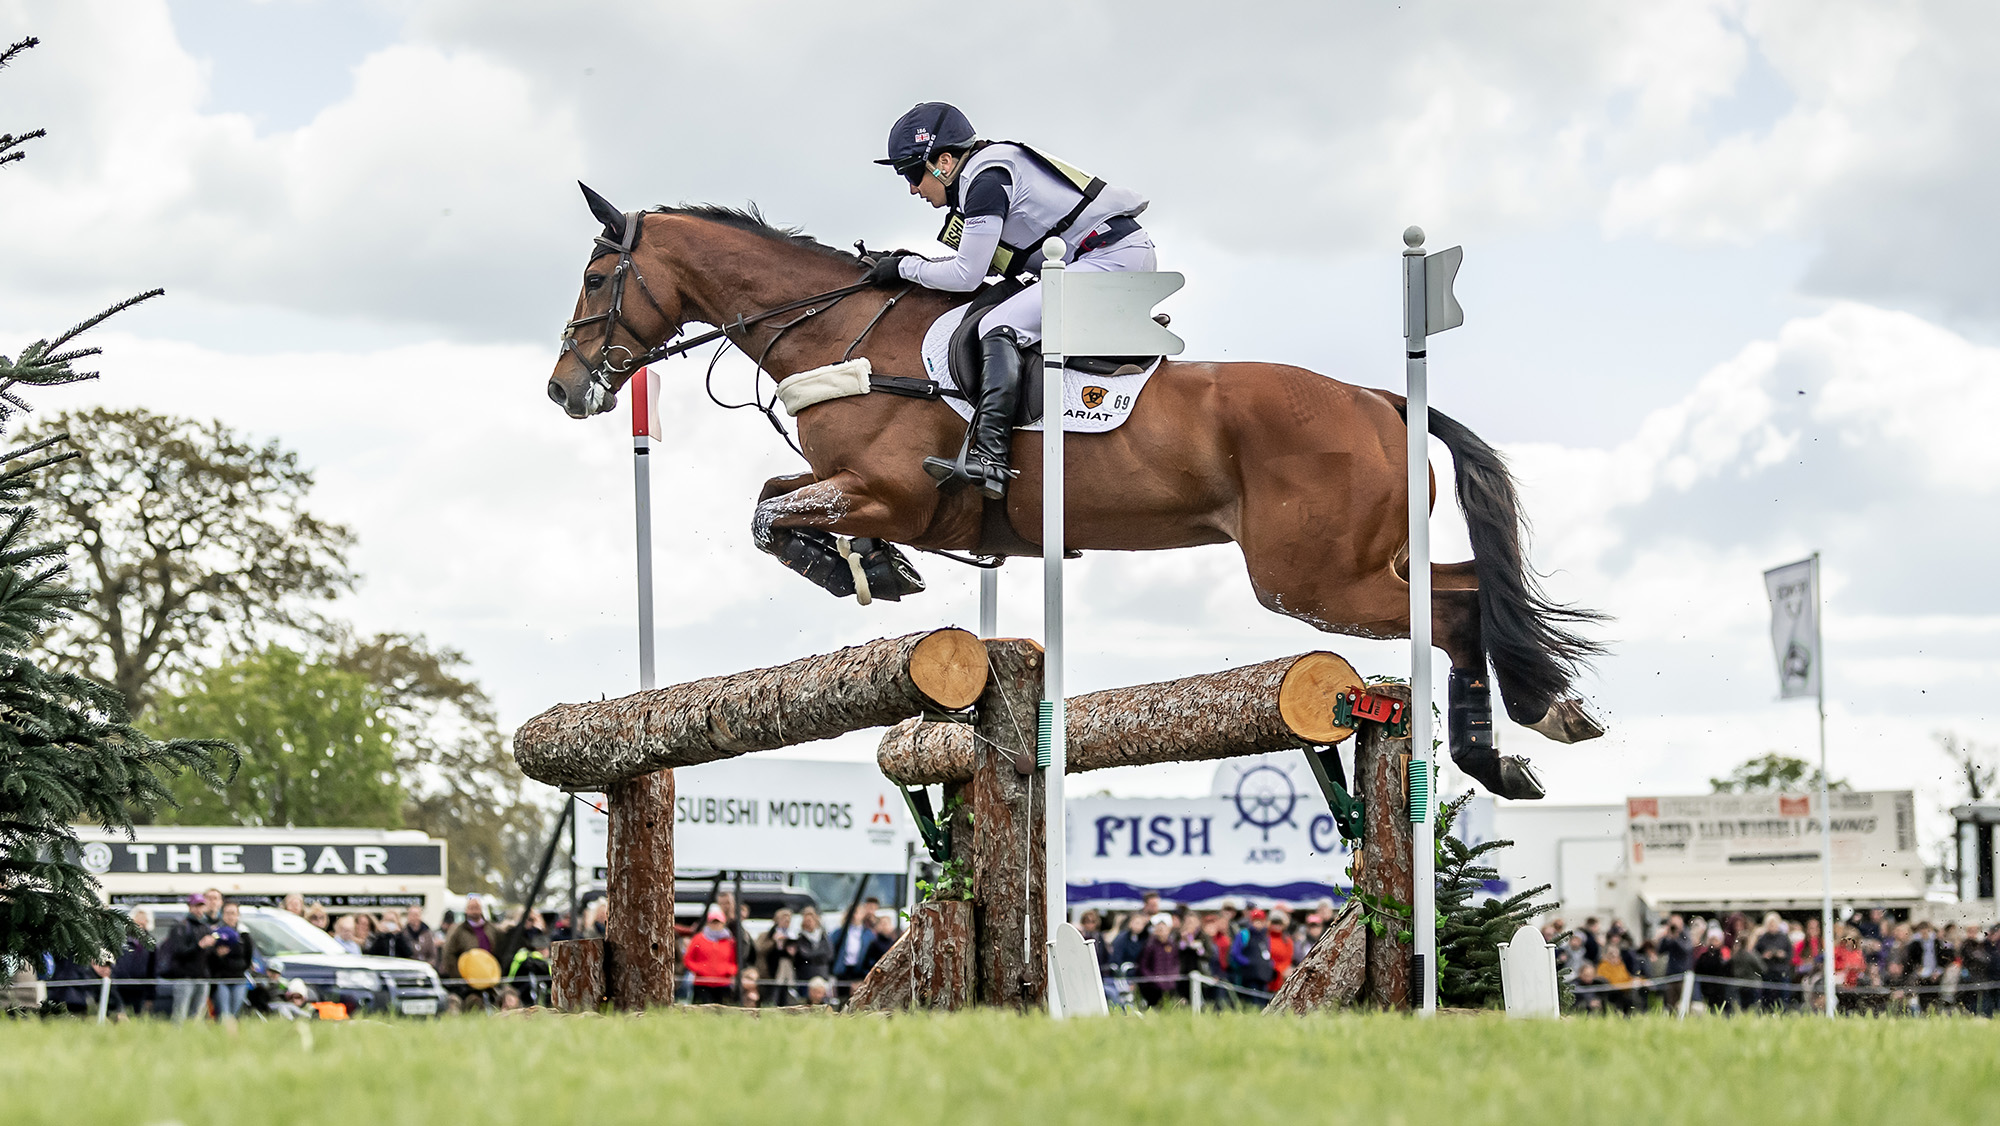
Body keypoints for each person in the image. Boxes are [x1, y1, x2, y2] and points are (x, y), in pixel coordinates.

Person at [865, 102, 1153, 500]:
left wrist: (904, 269)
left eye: (913, 173)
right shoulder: (984, 173)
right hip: (1101, 257)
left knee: (996, 326)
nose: (913, 188)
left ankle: (991, 457)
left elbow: (966, 275)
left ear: (944, 162)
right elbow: (974, 268)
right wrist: (908, 264)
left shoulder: (986, 180)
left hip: (1111, 259)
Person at [163, 894, 218, 1022]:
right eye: (196, 906)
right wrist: (199, 945)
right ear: (190, 907)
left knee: (197, 1016)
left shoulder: (206, 927)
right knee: (180, 1015)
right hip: (184, 978)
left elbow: (209, 955)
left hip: (202, 978)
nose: (199, 910)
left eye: (201, 906)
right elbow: (178, 951)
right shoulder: (181, 926)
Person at [208, 901, 255, 1020]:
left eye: (233, 913)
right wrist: (218, 955)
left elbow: (248, 957)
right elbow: (209, 958)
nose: (230, 916)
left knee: (235, 1013)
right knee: (224, 1013)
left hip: (238, 979)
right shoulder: (216, 933)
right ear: (222, 915)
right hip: (221, 979)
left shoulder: (244, 935)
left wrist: (241, 967)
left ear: (238, 915)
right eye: (228, 913)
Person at [686, 906, 739, 1004]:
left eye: (718, 922)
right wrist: (699, 969)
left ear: (723, 923)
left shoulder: (730, 941)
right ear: (708, 923)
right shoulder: (698, 939)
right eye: (713, 922)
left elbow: (735, 960)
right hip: (702, 983)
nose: (715, 925)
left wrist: (729, 970)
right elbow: (688, 959)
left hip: (723, 984)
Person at [1231, 908, 1276, 1005]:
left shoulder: (1265, 937)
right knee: (1252, 1002)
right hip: (1249, 976)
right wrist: (1248, 963)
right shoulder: (1243, 934)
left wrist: (1269, 965)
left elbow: (1267, 954)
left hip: (1263, 976)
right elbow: (1235, 953)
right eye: (1255, 920)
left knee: (1263, 1002)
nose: (1258, 923)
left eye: (1260, 920)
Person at [756, 906, 800, 1004]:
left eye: (788, 919)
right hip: (769, 972)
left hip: (785, 971)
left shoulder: (792, 934)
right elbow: (760, 949)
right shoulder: (766, 935)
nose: (786, 921)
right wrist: (774, 941)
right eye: (783, 919)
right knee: (770, 998)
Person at [1134, 913, 1178, 1008]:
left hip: (1169, 985)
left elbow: (1176, 963)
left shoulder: (1172, 945)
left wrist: (1172, 978)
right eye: (1158, 928)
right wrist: (1154, 979)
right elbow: (1143, 966)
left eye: (1163, 928)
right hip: (1152, 986)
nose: (1161, 930)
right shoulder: (1149, 945)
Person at [791, 905, 833, 987]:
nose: (809, 923)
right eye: (807, 920)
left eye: (811, 920)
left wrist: (813, 955)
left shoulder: (824, 937)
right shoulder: (800, 938)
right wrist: (819, 955)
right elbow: (804, 955)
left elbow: (829, 955)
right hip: (806, 977)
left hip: (822, 975)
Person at [1692, 926, 1731, 1013]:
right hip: (1706, 988)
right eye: (1712, 940)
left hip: (1720, 989)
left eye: (1715, 940)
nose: (1713, 943)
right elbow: (1698, 969)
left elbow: (1727, 970)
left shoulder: (1723, 954)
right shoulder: (1704, 956)